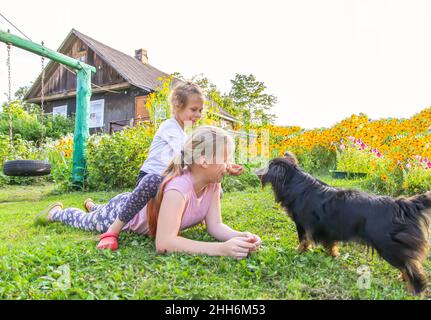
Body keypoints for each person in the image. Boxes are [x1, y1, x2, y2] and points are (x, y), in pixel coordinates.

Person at [35, 126, 261, 259]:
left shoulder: (213, 184)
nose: (230, 164)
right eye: (226, 158)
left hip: (131, 204)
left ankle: (95, 206)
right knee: (88, 222)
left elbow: (215, 226)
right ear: (203, 160)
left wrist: (240, 237)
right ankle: (56, 212)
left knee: (98, 211)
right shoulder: (178, 189)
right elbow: (164, 242)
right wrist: (220, 249)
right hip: (124, 212)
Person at [87, 81, 243, 250]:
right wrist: (225, 165)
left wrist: (224, 164)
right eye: (193, 109)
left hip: (170, 177)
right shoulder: (170, 127)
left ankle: (93, 206)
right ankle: (113, 230)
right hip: (151, 177)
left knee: (215, 189)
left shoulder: (185, 131)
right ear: (177, 106)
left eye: (200, 110)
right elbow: (189, 155)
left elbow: (199, 157)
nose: (198, 114)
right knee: (150, 184)